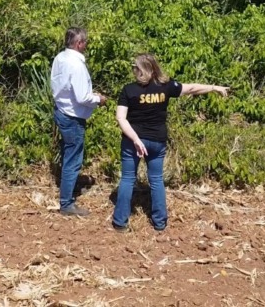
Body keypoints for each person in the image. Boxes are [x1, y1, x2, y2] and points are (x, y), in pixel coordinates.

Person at [112, 54, 229, 232]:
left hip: (132, 142)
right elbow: (191, 88)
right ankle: (160, 223)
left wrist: (136, 140)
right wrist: (214, 87)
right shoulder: (166, 87)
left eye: (135, 67)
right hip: (157, 141)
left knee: (128, 179)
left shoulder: (129, 90)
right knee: (157, 180)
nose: (133, 70)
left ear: (144, 70)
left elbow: (121, 118)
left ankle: (120, 223)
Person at [50, 27, 107, 216]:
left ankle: (69, 189)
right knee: (73, 159)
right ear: (79, 43)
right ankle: (66, 203)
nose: (86, 45)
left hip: (61, 110)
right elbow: (82, 97)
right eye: (85, 42)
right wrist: (99, 99)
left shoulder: (60, 58)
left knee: (68, 153)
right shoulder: (76, 65)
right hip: (72, 115)